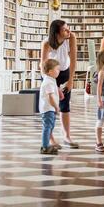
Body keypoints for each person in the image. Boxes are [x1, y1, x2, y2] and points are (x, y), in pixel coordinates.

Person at [40, 19, 79, 148]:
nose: (69, 31)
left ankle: (67, 136)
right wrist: (52, 85)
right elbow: (43, 66)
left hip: (65, 72)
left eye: (68, 28)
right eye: (65, 30)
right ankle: (51, 140)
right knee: (50, 107)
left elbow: (73, 60)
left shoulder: (71, 37)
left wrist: (71, 80)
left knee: (65, 105)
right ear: (57, 32)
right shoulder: (46, 44)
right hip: (50, 75)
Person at [39, 58, 61, 155]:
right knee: (47, 127)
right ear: (50, 71)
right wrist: (56, 107)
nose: (59, 71)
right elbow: (50, 97)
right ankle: (44, 146)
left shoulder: (51, 80)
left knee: (50, 127)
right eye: (57, 69)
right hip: (48, 109)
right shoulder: (48, 82)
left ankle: (47, 144)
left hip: (50, 109)